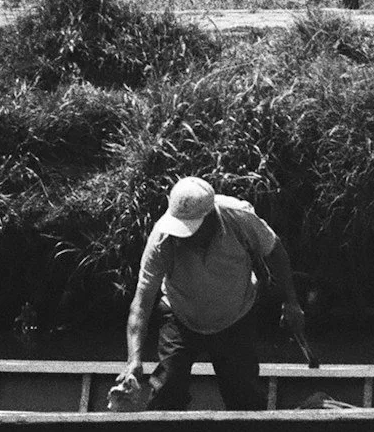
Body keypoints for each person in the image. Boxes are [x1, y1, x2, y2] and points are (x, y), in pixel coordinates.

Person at [122, 176, 305, 412]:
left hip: (236, 315)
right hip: (181, 316)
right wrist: (133, 360)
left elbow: (274, 250)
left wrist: (291, 302)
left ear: (211, 217)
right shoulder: (162, 239)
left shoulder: (239, 218)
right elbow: (142, 302)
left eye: (193, 228)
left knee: (246, 400)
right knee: (167, 391)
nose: (185, 235)